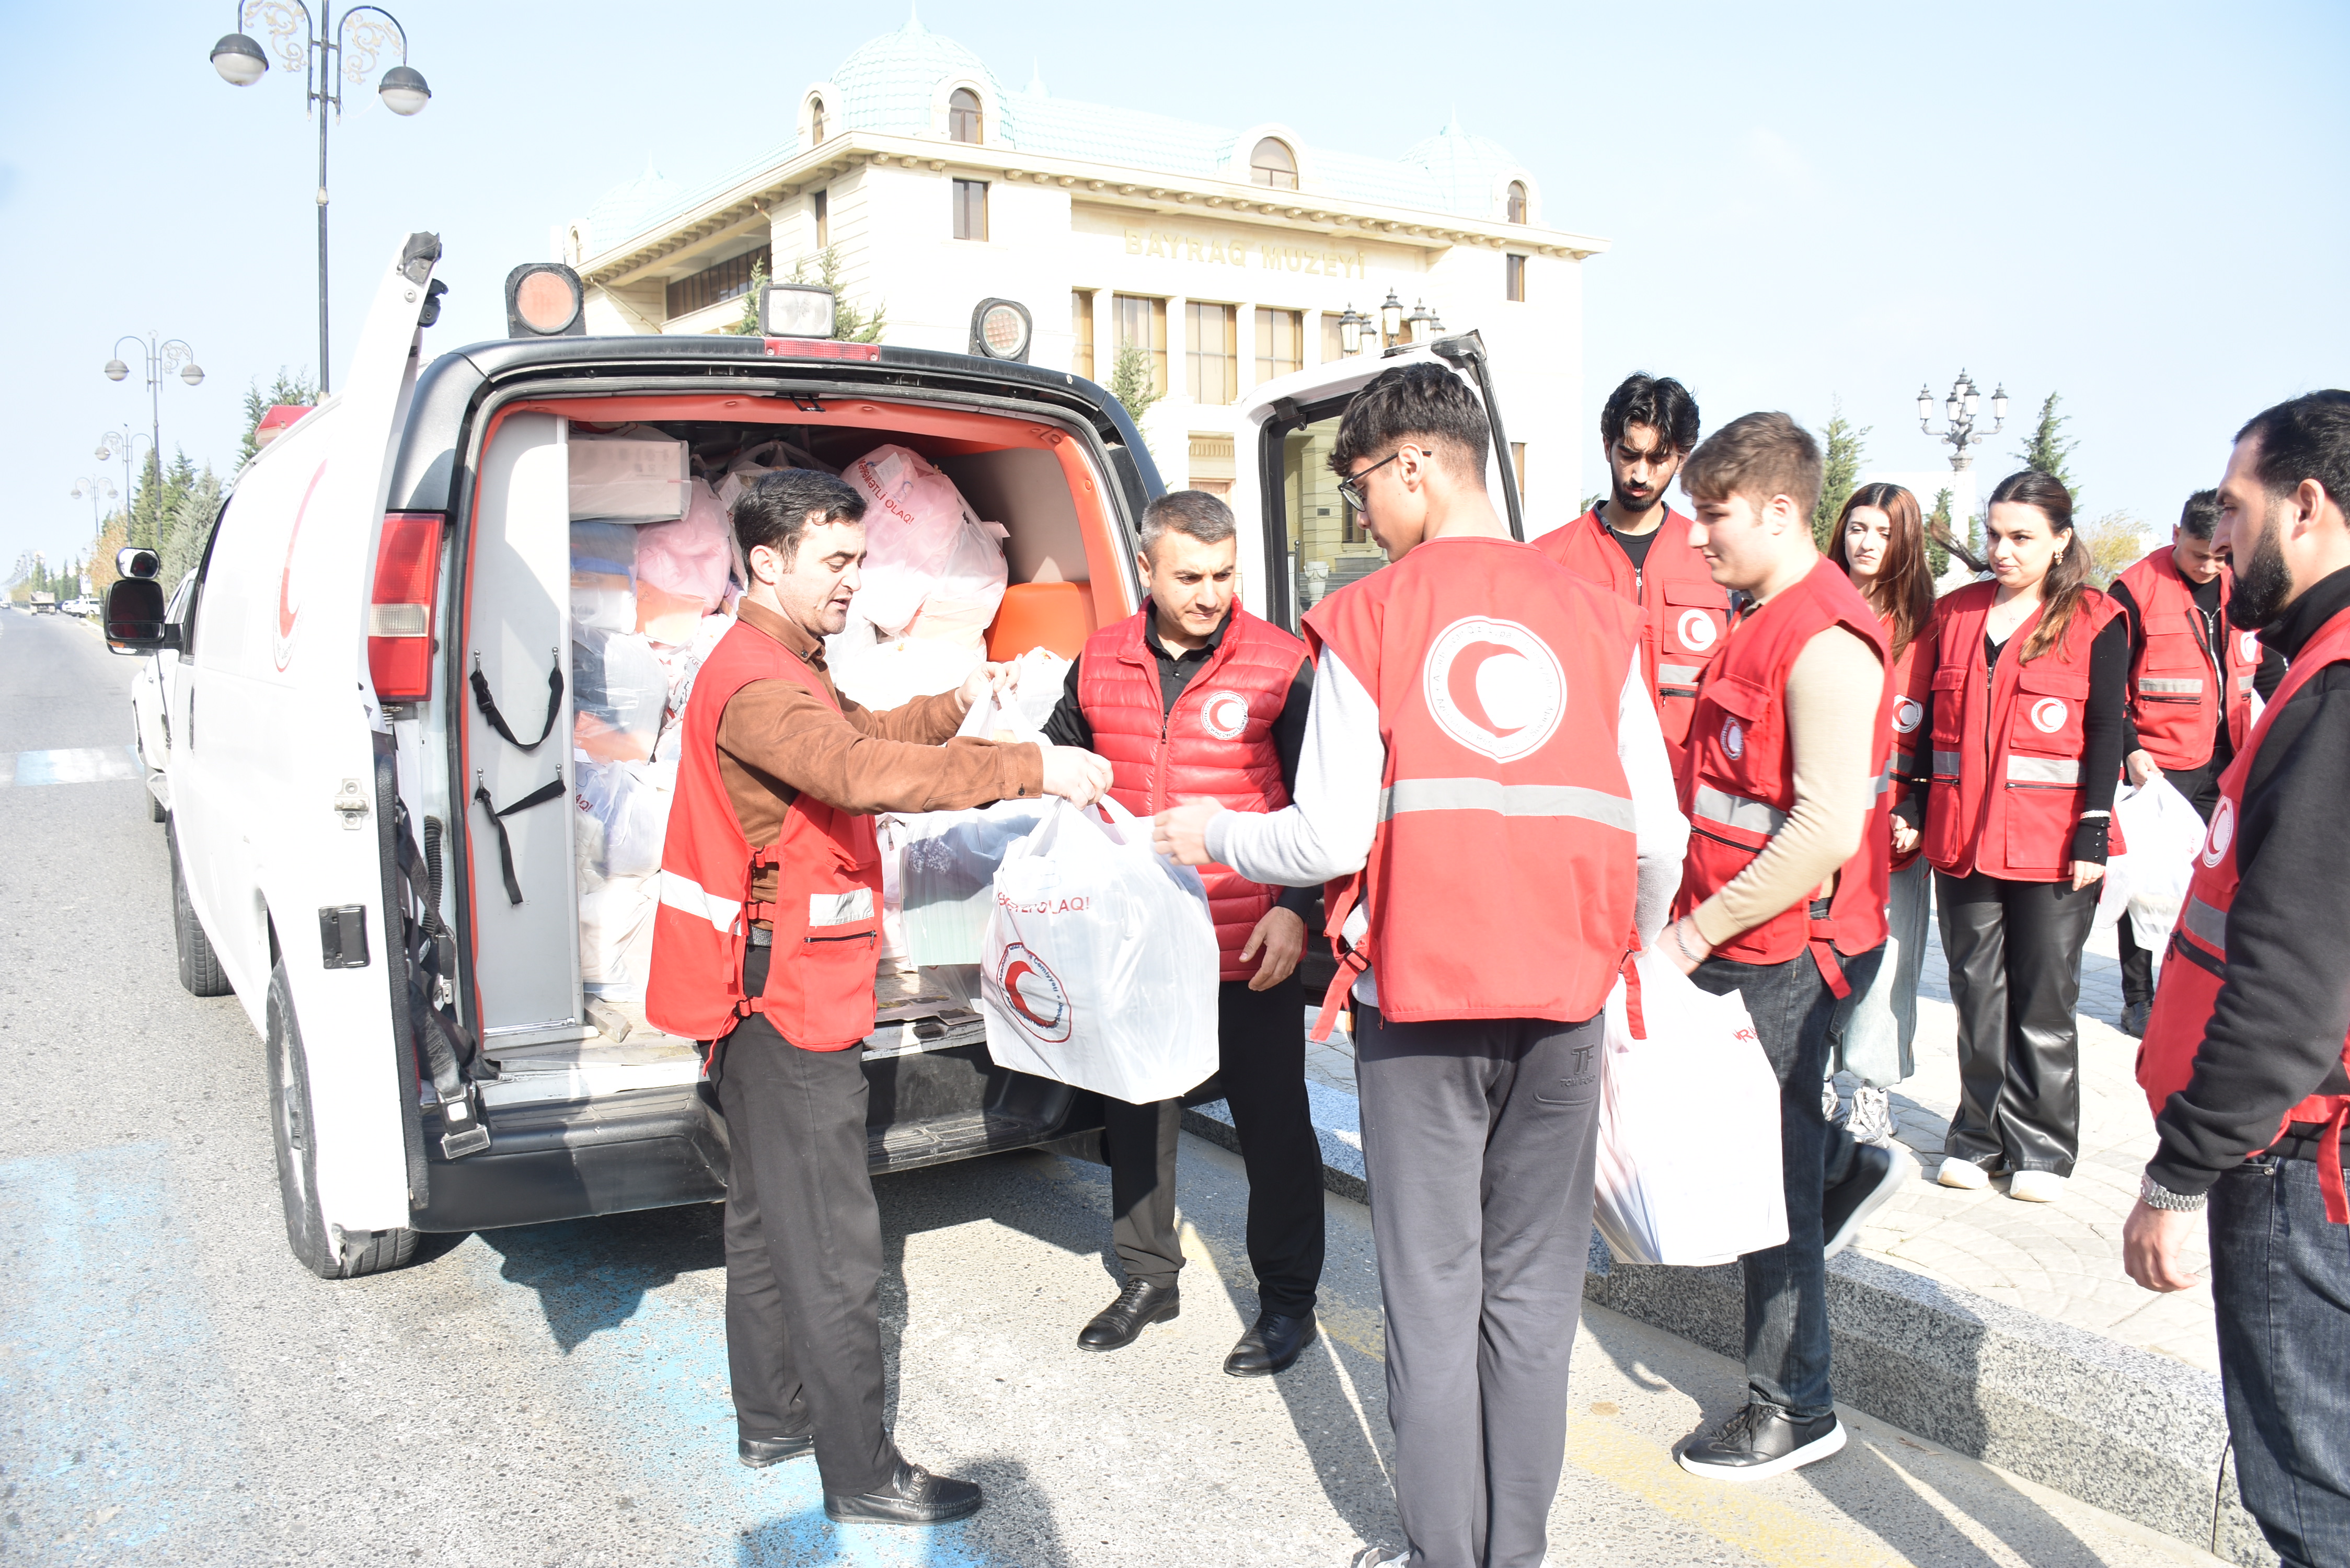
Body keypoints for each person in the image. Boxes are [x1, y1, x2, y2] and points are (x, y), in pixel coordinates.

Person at [1155, 364, 1687, 1568]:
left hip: (1423, 1006)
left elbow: (1328, 839)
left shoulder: (1371, 616)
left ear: (1412, 465)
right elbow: (1657, 836)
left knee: (1434, 1291)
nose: (1358, 513)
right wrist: (1619, 950)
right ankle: (1515, 1552)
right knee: (1534, 1294)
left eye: (1358, 486)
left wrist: (1215, 833)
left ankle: (1442, 1552)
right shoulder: (1598, 615)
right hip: (1565, 1003)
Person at [646, 469, 1113, 1526]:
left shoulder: (782, 662)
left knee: (766, 1218)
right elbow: (856, 774)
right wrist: (1029, 766)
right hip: (788, 999)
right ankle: (861, 1473)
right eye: (836, 562)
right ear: (766, 562)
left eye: (861, 559)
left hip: (770, 990)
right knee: (834, 1242)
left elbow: (866, 737)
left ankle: (774, 1418)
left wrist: (958, 701)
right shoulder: (760, 684)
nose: (855, 580)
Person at [2124, 391, 2350, 1568]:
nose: (2218, 539)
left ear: (2305, 506)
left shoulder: (2335, 689)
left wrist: (2179, 1176)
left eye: (2234, 508)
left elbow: (2291, 979)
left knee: (2311, 1499)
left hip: (2297, 1159)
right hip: (2303, 1142)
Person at [1658, 413, 1905, 1483]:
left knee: (1771, 1187)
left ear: (1775, 510)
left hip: (1785, 951)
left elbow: (1822, 831)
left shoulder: (1824, 640)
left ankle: (1794, 1407)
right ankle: (1846, 1165)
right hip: (1741, 936)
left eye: (1712, 514)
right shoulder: (1759, 613)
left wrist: (1691, 935)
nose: (1697, 534)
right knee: (1764, 1161)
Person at [1037, 489, 1327, 1375]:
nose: (1210, 594)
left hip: (1249, 941)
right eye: (1190, 577)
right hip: (1138, 944)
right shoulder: (1099, 659)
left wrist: (1297, 908)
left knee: (1274, 1128)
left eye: (1224, 575)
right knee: (1137, 1114)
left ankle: (1288, 1304)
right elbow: (1059, 756)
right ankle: (1148, 1278)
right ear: (1147, 569)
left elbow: (1323, 806)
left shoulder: (1280, 664)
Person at [1905, 470, 2125, 1204]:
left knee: (2046, 996)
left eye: (2022, 537)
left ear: (2061, 540)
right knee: (1976, 992)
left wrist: (2094, 832)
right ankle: (1977, 1137)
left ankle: (2042, 1148)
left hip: (2053, 843)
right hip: (1962, 836)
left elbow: (2105, 730)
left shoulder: (2095, 618)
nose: (2002, 550)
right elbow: (1923, 727)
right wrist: (1912, 803)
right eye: (1995, 535)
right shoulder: (1954, 613)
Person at [2105, 490, 2263, 1038]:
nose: (2209, 567)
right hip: (2158, 766)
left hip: (2228, 757)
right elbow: (2109, 687)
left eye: (2219, 556)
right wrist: (2130, 748)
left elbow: (2262, 664)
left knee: (2214, 881)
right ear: (2175, 535)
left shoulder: (2241, 583)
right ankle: (2138, 999)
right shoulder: (2134, 589)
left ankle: (2197, 990)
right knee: (2146, 886)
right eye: (2198, 555)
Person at [1536, 372, 1731, 769]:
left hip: (1685, 791)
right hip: (1585, 784)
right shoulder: (1547, 560)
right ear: (1607, 446)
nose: (1641, 475)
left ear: (1682, 459)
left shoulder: (1717, 562)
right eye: (1629, 455)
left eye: (1658, 460)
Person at [1822, 483, 1939, 1146]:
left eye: (1883, 533)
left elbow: (1940, 728)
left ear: (1905, 543)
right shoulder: (1813, 606)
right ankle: (1812, 1079)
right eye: (1857, 528)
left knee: (1889, 959)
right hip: (1818, 821)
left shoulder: (1927, 627)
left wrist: (1915, 805)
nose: (1865, 544)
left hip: (1893, 827)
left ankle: (1871, 1090)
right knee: (1813, 953)